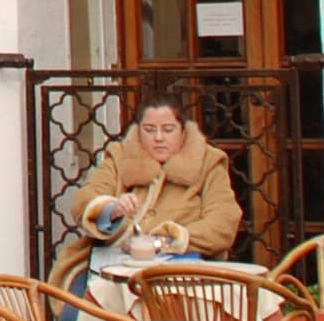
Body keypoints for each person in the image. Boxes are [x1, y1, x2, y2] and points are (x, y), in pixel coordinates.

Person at [72, 98, 241, 269]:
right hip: (113, 262)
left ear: (183, 133)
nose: (159, 138)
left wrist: (166, 241)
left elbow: (223, 223)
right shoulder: (119, 156)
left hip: (180, 267)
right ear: (138, 133)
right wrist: (111, 209)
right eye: (149, 130)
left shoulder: (208, 162)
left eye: (168, 130)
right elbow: (85, 199)